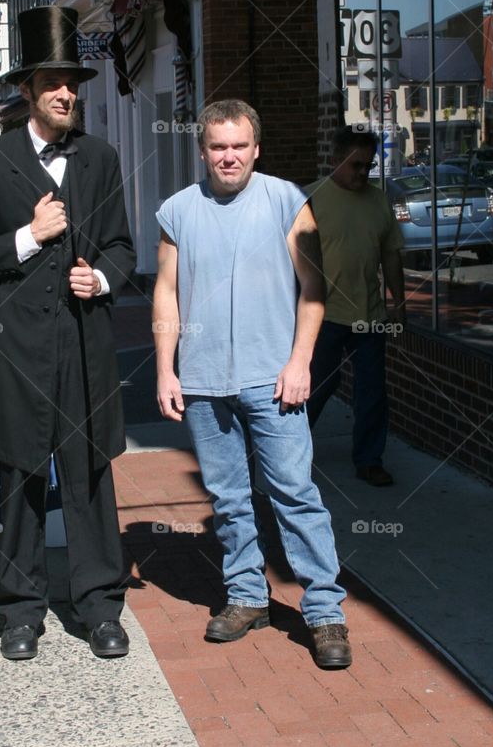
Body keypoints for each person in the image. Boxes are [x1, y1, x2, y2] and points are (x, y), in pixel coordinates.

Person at [0, 6, 136, 662]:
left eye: (73, 83)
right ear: (26, 88)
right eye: (53, 83)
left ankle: (97, 606)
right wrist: (30, 237)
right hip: (16, 351)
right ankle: (21, 609)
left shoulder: (99, 158)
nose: (66, 93)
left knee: (87, 475)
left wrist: (104, 280)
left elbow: (120, 246)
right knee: (21, 476)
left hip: (83, 346)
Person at [154, 99, 351, 670]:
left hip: (274, 380)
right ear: (203, 151)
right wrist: (167, 368)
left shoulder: (289, 201)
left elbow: (315, 287)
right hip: (204, 379)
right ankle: (245, 597)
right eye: (218, 146)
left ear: (256, 148)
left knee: (295, 494)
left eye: (239, 145)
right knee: (229, 498)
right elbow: (166, 292)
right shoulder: (177, 211)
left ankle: (324, 612)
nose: (229, 156)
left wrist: (301, 362)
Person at [306, 126, 406, 487]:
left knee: (372, 391)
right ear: (335, 160)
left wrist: (399, 301)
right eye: (355, 165)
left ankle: (369, 460)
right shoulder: (310, 199)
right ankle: (291, 454)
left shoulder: (378, 199)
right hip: (323, 315)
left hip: (371, 315)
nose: (363, 173)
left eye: (368, 166)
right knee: (315, 387)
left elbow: (390, 254)